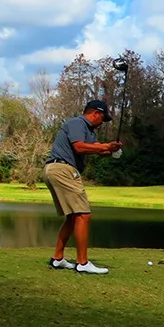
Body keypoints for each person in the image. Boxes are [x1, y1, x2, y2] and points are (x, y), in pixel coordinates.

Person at [44, 99, 122, 275]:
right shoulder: (77, 123)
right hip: (63, 168)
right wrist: (105, 146)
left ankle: (57, 259)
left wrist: (111, 149)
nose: (102, 123)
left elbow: (96, 149)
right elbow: (79, 147)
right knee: (83, 215)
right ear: (95, 113)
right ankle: (82, 263)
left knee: (73, 217)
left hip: (56, 169)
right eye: (102, 118)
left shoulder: (89, 131)